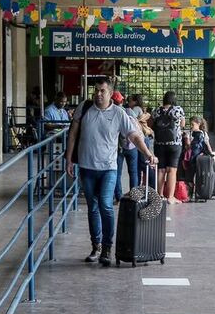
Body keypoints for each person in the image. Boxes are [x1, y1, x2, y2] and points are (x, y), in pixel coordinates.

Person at [66, 78, 157, 267]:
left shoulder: (119, 113)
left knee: (106, 206)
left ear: (110, 93)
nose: (98, 94)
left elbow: (134, 135)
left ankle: (107, 247)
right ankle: (96, 246)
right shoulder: (85, 108)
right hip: (86, 167)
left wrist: (148, 153)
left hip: (108, 168)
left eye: (103, 91)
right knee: (92, 207)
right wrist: (68, 158)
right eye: (96, 90)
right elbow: (73, 132)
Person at [148, 91, 185, 204]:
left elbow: (150, 124)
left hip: (159, 143)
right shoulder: (178, 109)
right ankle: (170, 197)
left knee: (161, 170)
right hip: (175, 144)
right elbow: (182, 124)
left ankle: (159, 196)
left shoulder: (156, 110)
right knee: (172, 170)